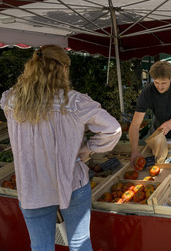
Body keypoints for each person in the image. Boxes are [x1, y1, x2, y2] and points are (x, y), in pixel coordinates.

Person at [0, 45, 121, 251]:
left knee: (41, 246)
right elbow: (113, 129)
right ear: (63, 69)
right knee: (79, 243)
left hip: (31, 186)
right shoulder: (73, 102)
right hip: (71, 181)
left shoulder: (11, 100)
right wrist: (88, 149)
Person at [129, 60, 171, 160]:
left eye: (163, 83)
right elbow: (135, 124)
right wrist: (134, 150)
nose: (160, 87)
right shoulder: (147, 92)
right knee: (159, 161)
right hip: (158, 131)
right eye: (156, 82)